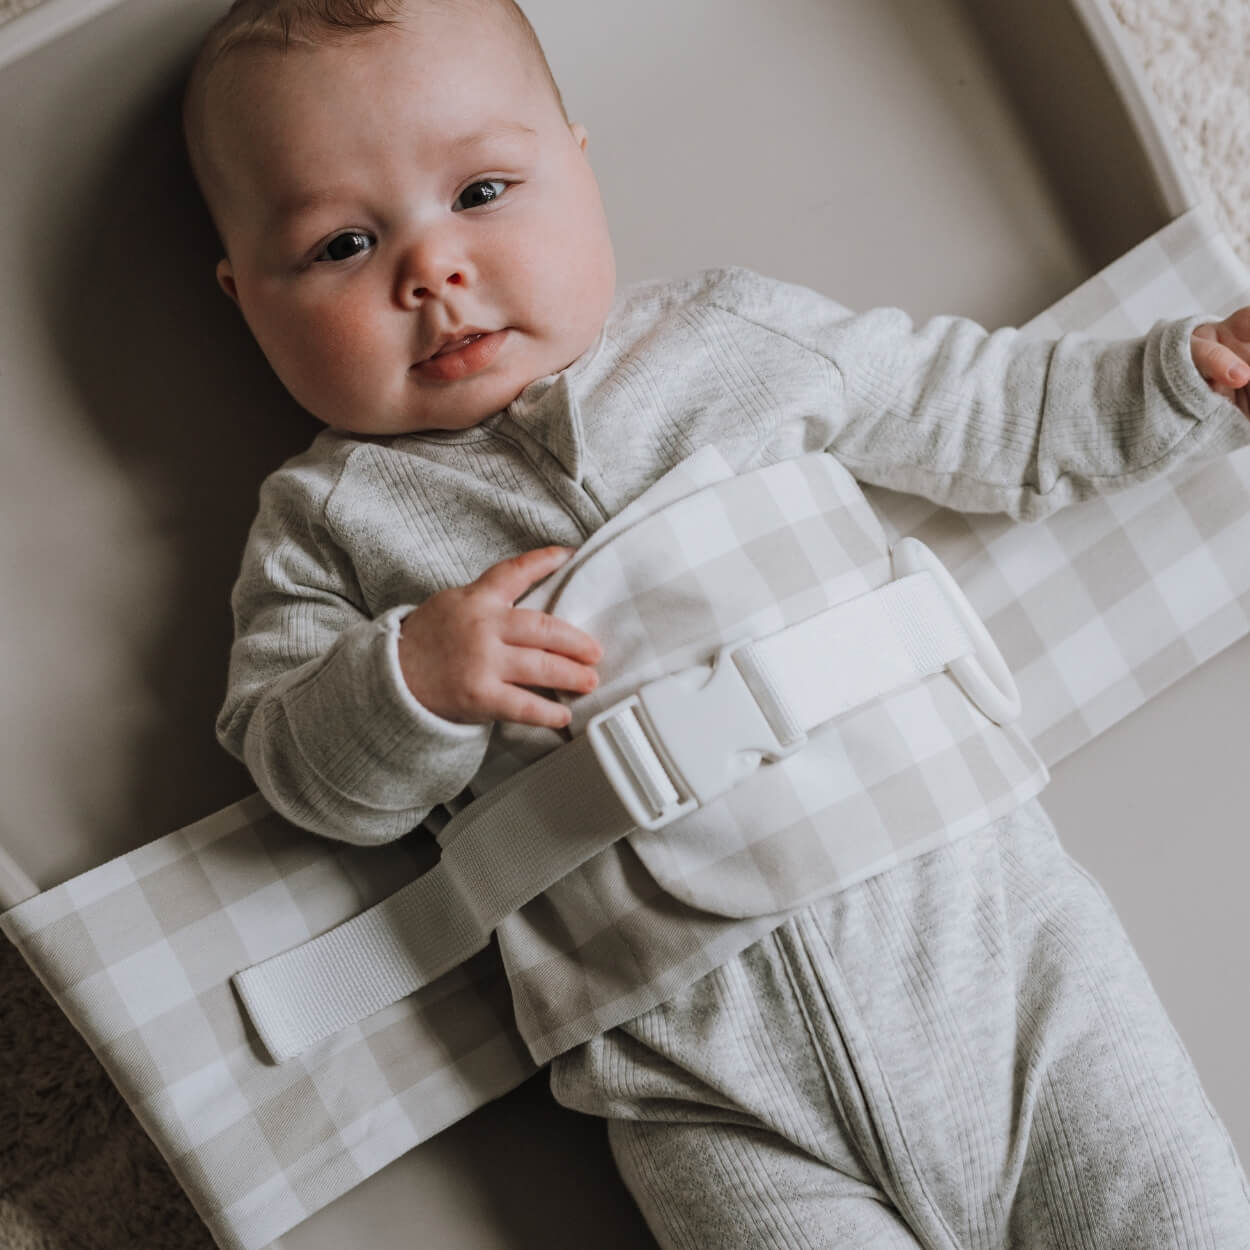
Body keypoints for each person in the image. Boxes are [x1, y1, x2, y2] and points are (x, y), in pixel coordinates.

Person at [183, 0, 1250, 1244]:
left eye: (480, 189)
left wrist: (1175, 378)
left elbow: (986, 410)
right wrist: (409, 680)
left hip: (1001, 960)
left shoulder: (727, 341)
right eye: (341, 245)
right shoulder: (327, 522)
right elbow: (296, 761)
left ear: (576, 161)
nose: (431, 269)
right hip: (699, 1079)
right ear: (242, 293)